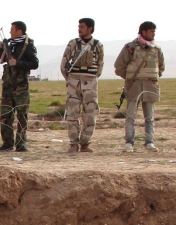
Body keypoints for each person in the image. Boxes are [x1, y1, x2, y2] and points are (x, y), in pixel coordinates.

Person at [113, 21, 165, 152]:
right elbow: (119, 67)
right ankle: (129, 143)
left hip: (150, 86)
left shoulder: (156, 49)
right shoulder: (130, 48)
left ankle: (149, 142)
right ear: (143, 32)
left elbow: (161, 68)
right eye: (151, 31)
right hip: (134, 86)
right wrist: (131, 77)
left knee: (150, 117)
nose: (153, 34)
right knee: (131, 116)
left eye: (154, 31)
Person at [60, 18, 105, 152]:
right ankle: (73, 143)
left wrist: (92, 78)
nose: (79, 29)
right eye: (79, 26)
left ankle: (85, 143)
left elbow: (100, 65)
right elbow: (64, 63)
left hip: (90, 82)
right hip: (74, 82)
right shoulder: (73, 44)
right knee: (72, 113)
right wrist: (69, 79)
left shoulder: (98, 45)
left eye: (82, 27)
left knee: (90, 114)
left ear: (90, 28)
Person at [0, 21, 39, 152]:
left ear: (19, 31)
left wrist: (18, 63)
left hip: (21, 85)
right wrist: (0, 48)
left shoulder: (28, 45)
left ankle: (20, 143)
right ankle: (7, 143)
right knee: (5, 114)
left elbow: (34, 63)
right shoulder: (10, 44)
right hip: (8, 84)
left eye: (12, 30)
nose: (10, 32)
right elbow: (5, 60)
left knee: (22, 115)